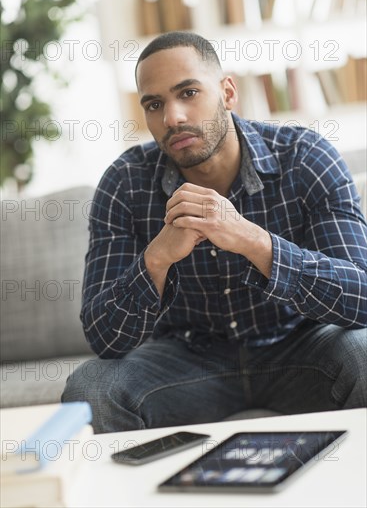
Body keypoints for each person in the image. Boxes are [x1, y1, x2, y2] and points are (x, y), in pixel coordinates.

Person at [62, 31, 367, 433]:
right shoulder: (124, 183)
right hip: (188, 362)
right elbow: (105, 339)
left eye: (188, 93)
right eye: (155, 104)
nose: (173, 117)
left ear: (227, 92)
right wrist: (156, 260)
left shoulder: (306, 158)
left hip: (300, 351)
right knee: (91, 389)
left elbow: (361, 296)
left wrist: (254, 241)